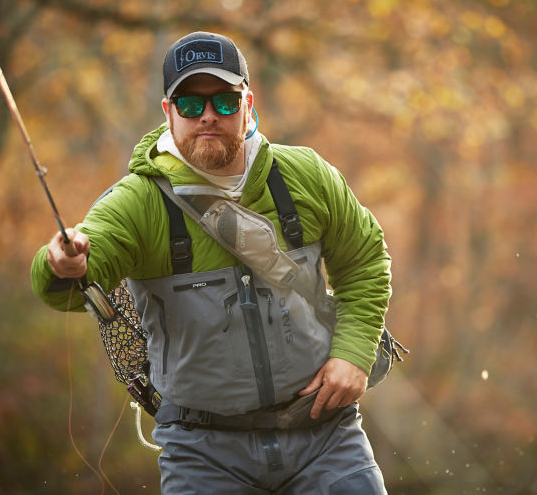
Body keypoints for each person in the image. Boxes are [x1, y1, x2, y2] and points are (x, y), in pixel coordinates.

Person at [31, 31, 392, 494]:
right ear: (167, 112)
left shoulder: (306, 175)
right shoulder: (137, 202)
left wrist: (353, 355)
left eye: (224, 101)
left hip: (326, 437)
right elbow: (63, 283)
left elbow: (364, 259)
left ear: (247, 103)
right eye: (189, 103)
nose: (207, 116)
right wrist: (61, 263)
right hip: (201, 452)